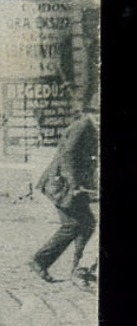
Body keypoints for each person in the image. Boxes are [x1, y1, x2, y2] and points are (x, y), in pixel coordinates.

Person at [30, 106, 99, 283]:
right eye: (97, 113)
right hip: (63, 184)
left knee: (87, 223)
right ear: (91, 112)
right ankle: (40, 260)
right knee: (73, 224)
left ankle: (79, 269)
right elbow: (68, 154)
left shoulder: (90, 126)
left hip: (72, 184)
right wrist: (75, 184)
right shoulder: (83, 126)